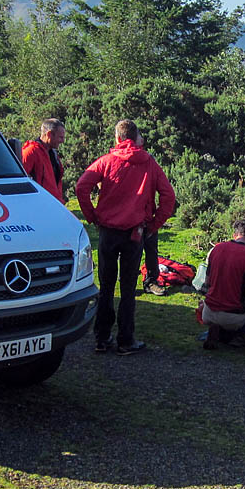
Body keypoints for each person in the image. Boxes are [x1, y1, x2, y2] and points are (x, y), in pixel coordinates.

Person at [76, 119, 175, 355]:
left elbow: (81, 187)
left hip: (108, 231)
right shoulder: (149, 162)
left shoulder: (106, 161)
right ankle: (126, 340)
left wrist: (93, 216)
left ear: (118, 138)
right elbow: (168, 196)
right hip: (135, 232)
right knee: (128, 287)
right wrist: (154, 225)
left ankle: (102, 338)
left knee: (106, 285)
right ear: (136, 136)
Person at [200, 219, 245, 350]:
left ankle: (216, 329)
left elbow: (207, 282)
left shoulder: (216, 249)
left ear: (236, 234)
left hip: (208, 312)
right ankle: (239, 334)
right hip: (232, 315)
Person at [135, 130, 167, 296]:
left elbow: (166, 193)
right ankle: (129, 282)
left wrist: (156, 221)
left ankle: (151, 281)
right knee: (131, 251)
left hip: (147, 215)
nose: (143, 139)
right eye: (140, 137)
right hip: (130, 217)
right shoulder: (117, 160)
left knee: (150, 249)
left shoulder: (149, 161)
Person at [20, 118, 66, 203]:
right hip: (38, 204)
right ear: (49, 134)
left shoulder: (53, 153)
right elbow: (19, 181)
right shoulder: (31, 151)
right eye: (60, 137)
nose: (62, 141)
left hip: (54, 204)